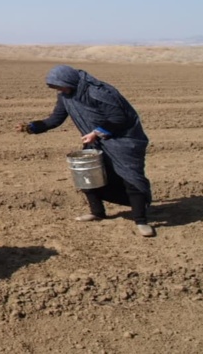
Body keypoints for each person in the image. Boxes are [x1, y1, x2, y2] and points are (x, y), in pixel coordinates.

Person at [17, 65, 155, 237]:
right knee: (87, 175)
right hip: (96, 141)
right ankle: (97, 212)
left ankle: (141, 221)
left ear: (70, 81)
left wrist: (96, 133)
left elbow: (119, 118)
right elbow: (55, 119)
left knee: (130, 178)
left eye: (60, 85)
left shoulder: (99, 92)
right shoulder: (66, 96)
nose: (59, 89)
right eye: (56, 87)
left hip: (123, 141)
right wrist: (32, 127)